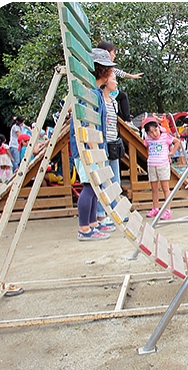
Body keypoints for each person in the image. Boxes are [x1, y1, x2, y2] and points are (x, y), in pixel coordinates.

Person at [72, 49, 118, 241]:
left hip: (95, 148)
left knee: (94, 186)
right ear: (103, 72)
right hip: (87, 150)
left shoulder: (96, 93)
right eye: (111, 71)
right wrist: (92, 150)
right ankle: (84, 228)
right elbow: (85, 125)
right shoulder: (90, 94)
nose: (113, 74)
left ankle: (92, 224)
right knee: (89, 187)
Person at [96, 70, 123, 229]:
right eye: (114, 79)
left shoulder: (114, 101)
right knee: (102, 182)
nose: (116, 82)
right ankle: (101, 214)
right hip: (102, 143)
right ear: (106, 81)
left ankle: (115, 211)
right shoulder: (99, 99)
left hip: (113, 143)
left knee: (115, 180)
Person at [142, 117, 180, 219]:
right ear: (147, 133)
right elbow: (146, 146)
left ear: (159, 127)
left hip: (163, 164)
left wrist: (171, 153)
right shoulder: (148, 139)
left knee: (165, 188)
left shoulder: (165, 136)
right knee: (154, 188)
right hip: (152, 165)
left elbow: (177, 142)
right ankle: (155, 208)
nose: (154, 134)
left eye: (155, 130)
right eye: (150, 132)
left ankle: (167, 210)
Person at [96, 41, 142, 122]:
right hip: (108, 94)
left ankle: (123, 118)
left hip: (110, 95)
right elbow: (121, 73)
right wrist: (132, 76)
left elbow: (121, 73)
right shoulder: (105, 70)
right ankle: (126, 119)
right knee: (122, 96)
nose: (114, 55)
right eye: (113, 53)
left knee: (118, 101)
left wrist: (132, 76)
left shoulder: (108, 68)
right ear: (107, 52)